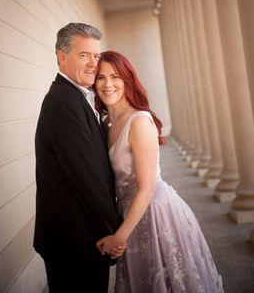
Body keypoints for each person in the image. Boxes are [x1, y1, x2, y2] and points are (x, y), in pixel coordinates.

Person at [95, 51, 224, 293]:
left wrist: (119, 236)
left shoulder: (139, 122)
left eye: (115, 76)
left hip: (155, 212)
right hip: (130, 214)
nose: (108, 84)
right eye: (101, 78)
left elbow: (147, 188)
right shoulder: (107, 123)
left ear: (127, 79)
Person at [33, 24, 124, 293]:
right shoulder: (64, 102)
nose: (93, 64)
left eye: (96, 56)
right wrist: (113, 230)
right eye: (85, 55)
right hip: (74, 237)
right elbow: (86, 175)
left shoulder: (77, 97)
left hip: (79, 234)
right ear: (61, 57)